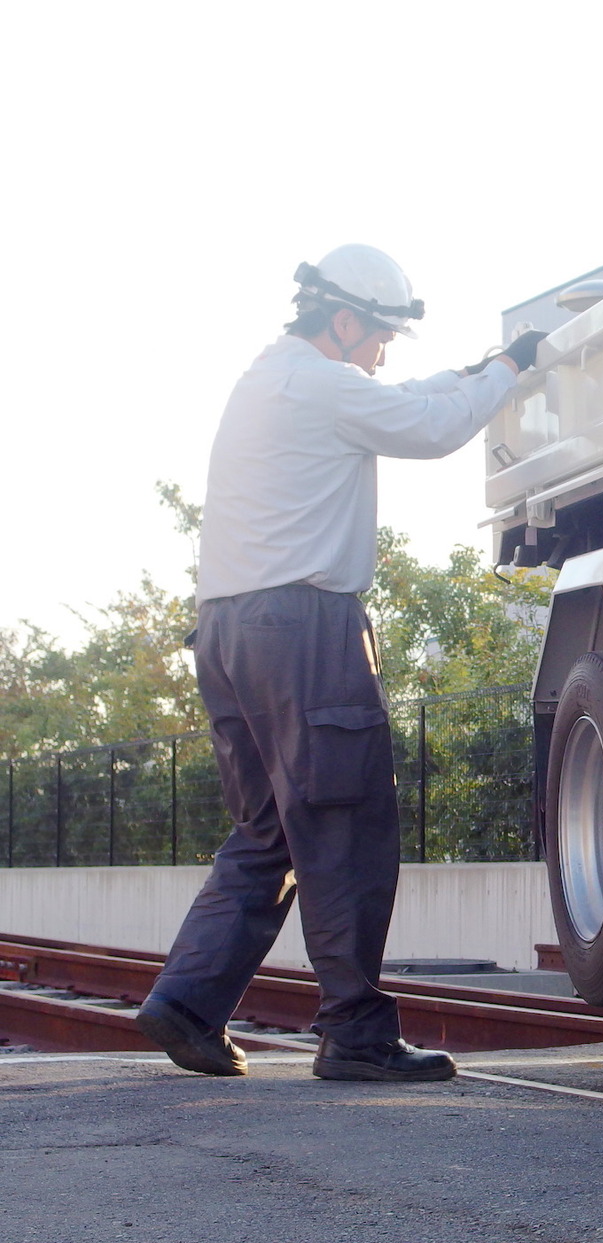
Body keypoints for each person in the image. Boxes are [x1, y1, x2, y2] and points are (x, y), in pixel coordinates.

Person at [136, 245, 547, 1082]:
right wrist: (508, 368)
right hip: (304, 633)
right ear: (344, 319)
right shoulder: (320, 386)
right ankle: (355, 1033)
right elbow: (427, 427)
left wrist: (468, 372)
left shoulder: (272, 378)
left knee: (269, 832)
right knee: (346, 824)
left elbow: (396, 400)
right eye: (379, 334)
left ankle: (185, 1002)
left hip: (226, 629)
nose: (382, 351)